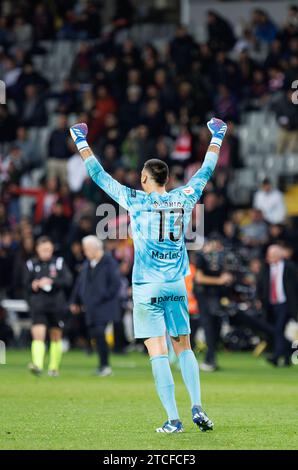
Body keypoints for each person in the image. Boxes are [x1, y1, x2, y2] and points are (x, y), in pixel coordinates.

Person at [70, 117, 228, 433]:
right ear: (167, 178)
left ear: (144, 178)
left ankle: (173, 420)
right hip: (176, 285)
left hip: (146, 287)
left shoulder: (136, 200)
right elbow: (206, 170)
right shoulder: (184, 198)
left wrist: (80, 140)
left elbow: (98, 175)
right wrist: (218, 136)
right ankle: (198, 405)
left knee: (157, 351)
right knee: (183, 345)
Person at [69, 236, 121, 377]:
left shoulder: (109, 262)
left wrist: (103, 296)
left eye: (86, 249)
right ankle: (102, 365)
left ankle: (105, 365)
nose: (85, 252)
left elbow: (116, 284)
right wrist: (75, 301)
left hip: (105, 306)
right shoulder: (88, 264)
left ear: (94, 248)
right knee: (95, 335)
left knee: (99, 332)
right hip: (91, 306)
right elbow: (80, 284)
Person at [23, 236, 72, 376]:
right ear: (37, 249)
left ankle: (53, 367)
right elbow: (23, 284)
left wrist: (52, 281)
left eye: (49, 249)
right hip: (38, 305)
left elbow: (68, 280)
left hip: (56, 304)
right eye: (44, 249)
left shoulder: (59, 263)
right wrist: (33, 285)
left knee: (56, 336)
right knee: (38, 334)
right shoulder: (31, 264)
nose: (46, 252)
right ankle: (37, 365)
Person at [194, 237, 233, 372]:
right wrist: (220, 280)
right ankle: (209, 359)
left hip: (216, 297)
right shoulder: (202, 257)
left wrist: (226, 279)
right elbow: (199, 278)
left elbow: (225, 275)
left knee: (216, 327)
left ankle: (210, 359)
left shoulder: (220, 259)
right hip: (204, 297)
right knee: (208, 326)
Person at [257, 245, 298, 366]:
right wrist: (259, 299)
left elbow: (296, 287)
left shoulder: (289, 267)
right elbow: (260, 284)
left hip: (286, 304)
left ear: (280, 255)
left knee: (279, 329)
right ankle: (287, 357)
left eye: (273, 254)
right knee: (279, 331)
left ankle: (276, 356)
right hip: (270, 304)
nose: (270, 257)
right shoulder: (265, 268)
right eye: (269, 254)